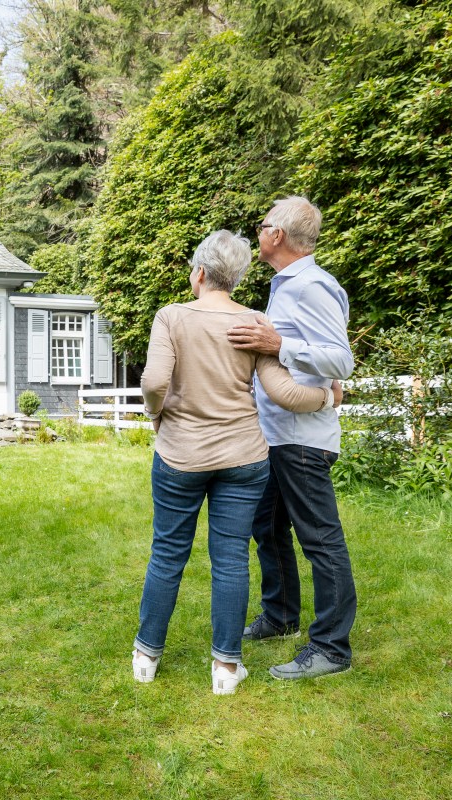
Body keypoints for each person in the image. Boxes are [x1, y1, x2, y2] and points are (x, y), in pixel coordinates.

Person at [132, 230, 337, 695]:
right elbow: (283, 393)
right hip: (244, 458)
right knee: (230, 559)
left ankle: (146, 655)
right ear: (237, 278)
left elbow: (155, 380)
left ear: (200, 272)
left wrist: (157, 414)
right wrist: (327, 395)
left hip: (180, 455)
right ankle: (226, 669)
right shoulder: (253, 322)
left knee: (167, 553)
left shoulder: (171, 317)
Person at [226, 195, 357, 680]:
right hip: (275, 436)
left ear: (276, 235)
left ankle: (331, 648)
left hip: (303, 439)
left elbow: (340, 360)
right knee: (268, 529)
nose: (258, 233)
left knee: (320, 539)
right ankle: (280, 616)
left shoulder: (312, 287)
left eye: (262, 226)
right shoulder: (286, 287)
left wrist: (279, 343)